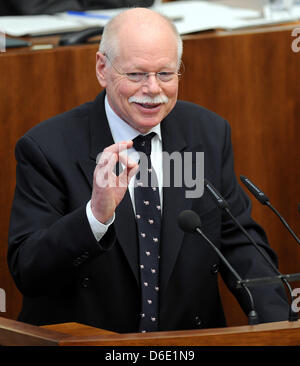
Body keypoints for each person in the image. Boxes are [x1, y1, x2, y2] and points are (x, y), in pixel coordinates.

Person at [8, 8, 290, 333]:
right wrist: (95, 217)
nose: (153, 89)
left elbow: (239, 245)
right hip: (94, 343)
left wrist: (281, 328)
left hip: (185, 345)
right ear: (102, 68)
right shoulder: (48, 148)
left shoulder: (206, 134)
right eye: (136, 75)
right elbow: (28, 272)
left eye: (165, 74)